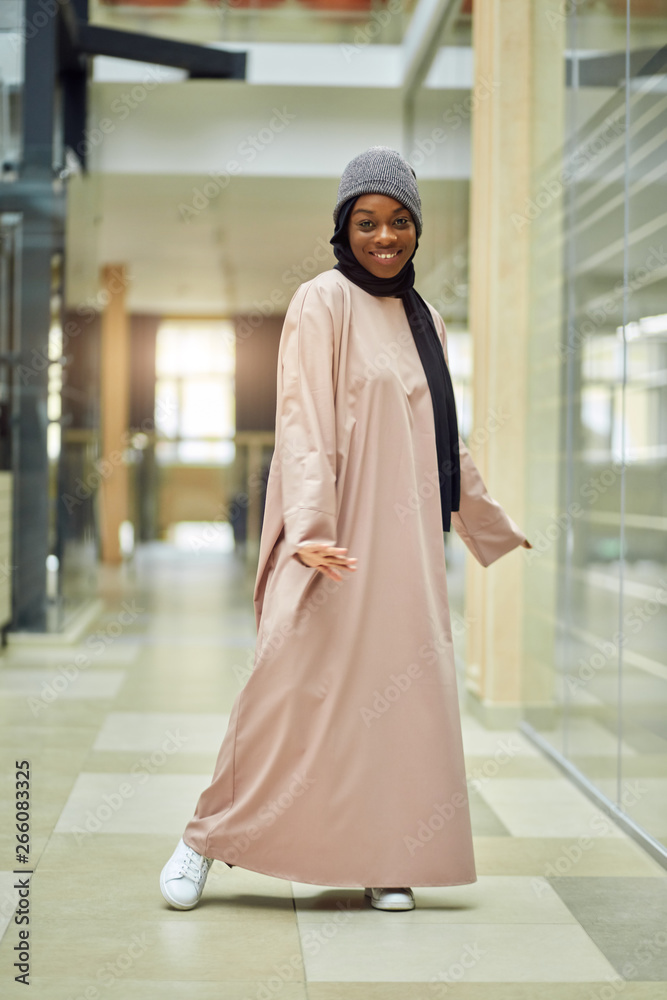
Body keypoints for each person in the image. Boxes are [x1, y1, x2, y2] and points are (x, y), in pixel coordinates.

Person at [160, 146, 531, 913]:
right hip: (328, 540)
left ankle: (384, 854)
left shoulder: (418, 316)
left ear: (417, 230)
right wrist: (310, 528)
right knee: (288, 688)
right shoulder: (321, 300)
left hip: (403, 551)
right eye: (367, 222)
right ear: (343, 226)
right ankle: (203, 838)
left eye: (399, 222)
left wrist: (486, 521)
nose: (384, 237)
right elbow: (301, 418)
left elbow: (442, 437)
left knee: (396, 699)